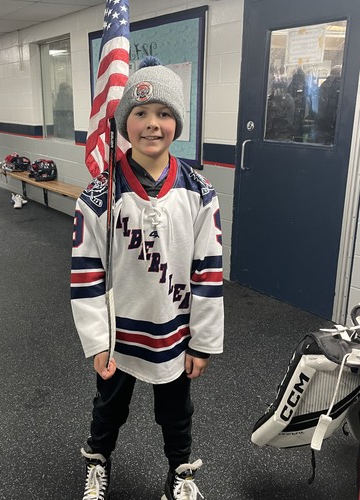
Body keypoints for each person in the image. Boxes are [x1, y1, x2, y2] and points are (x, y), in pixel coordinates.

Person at [71, 57, 224, 500]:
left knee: (176, 414)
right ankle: (98, 461)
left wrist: (202, 341)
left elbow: (208, 271)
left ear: (178, 123)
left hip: (174, 332)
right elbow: (86, 275)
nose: (152, 124)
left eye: (163, 113)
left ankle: (180, 474)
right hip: (119, 334)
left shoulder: (199, 192)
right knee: (109, 408)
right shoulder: (100, 194)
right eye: (140, 113)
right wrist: (97, 340)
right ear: (124, 122)